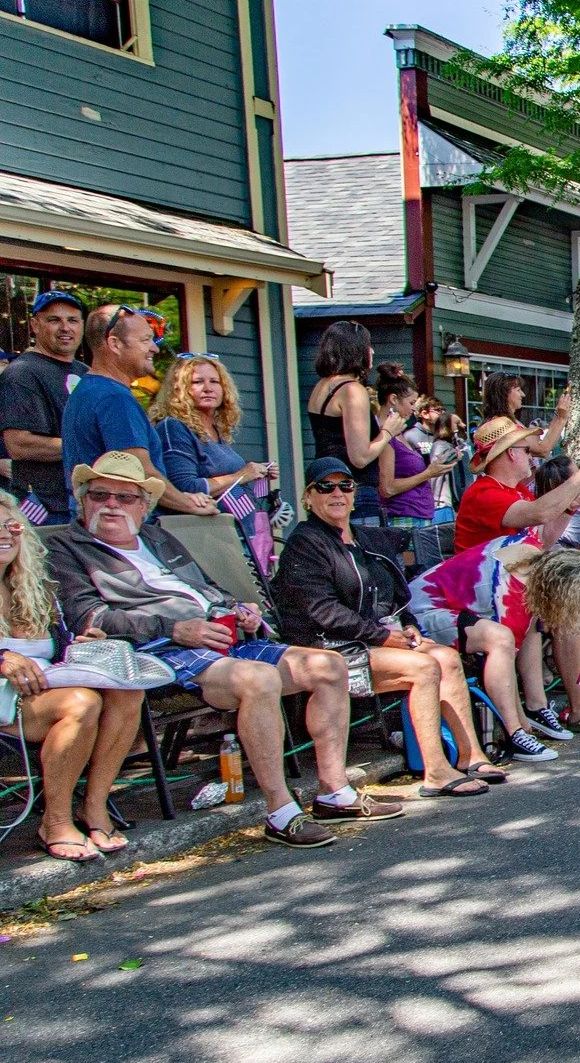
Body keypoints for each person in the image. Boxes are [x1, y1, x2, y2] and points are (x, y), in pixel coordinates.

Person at [47, 452, 386, 847]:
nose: (111, 505)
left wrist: (235, 609)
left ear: (143, 506)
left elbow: (207, 590)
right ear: (83, 500)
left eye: (125, 498)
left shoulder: (156, 538)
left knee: (329, 666)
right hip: (159, 650)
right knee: (257, 679)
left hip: (216, 636)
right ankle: (280, 811)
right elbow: (91, 619)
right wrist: (175, 629)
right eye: (100, 495)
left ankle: (333, 791)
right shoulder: (68, 547)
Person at [273, 459, 495, 797]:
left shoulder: (365, 538)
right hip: (331, 647)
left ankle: (471, 755)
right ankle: (435, 770)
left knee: (447, 658)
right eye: (326, 487)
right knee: (423, 667)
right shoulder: (305, 544)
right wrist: (382, 635)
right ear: (308, 497)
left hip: (377, 636)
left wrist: (409, 624)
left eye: (345, 486)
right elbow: (321, 611)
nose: (337, 494)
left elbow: (398, 592)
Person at [0, 492, 149, 862]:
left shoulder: (31, 585)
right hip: (10, 694)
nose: (5, 535)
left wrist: (81, 645)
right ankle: (55, 820)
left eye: (11, 526)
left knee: (127, 692)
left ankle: (94, 806)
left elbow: (58, 644)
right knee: (82, 702)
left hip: (38, 686)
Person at [408, 530, 580, 761]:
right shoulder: (509, 597)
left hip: (439, 599)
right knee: (500, 640)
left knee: (521, 627)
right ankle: (514, 731)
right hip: (422, 612)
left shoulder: (531, 550)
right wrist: (521, 724)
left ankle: (534, 708)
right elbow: (508, 665)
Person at [62, 306, 214, 516]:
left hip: (93, 521)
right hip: (121, 528)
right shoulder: (114, 398)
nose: (155, 348)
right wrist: (192, 505)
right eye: (145, 340)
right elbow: (140, 472)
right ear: (115, 344)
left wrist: (183, 497)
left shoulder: (86, 390)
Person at [453, 415, 580, 553]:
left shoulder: (516, 489)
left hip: (503, 581)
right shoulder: (484, 493)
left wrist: (569, 509)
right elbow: (539, 513)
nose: (532, 457)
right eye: (527, 450)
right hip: (481, 585)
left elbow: (542, 541)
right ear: (511, 452)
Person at [151, 353, 277, 520]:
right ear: (178, 389)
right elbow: (183, 488)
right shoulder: (174, 427)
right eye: (197, 382)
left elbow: (224, 476)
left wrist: (257, 471)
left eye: (214, 381)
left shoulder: (216, 429)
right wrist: (240, 476)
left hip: (235, 531)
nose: (208, 388)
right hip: (202, 534)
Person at [305, 321, 407, 524]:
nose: (372, 350)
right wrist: (388, 431)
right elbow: (360, 457)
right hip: (353, 491)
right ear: (356, 350)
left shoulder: (322, 387)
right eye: (367, 345)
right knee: (364, 554)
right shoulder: (352, 390)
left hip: (324, 488)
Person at [0, 289, 86, 520]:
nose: (65, 327)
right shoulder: (22, 373)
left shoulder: (87, 374)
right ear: (35, 325)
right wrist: (90, 445)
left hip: (87, 502)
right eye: (54, 320)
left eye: (73, 320)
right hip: (46, 508)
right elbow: (19, 444)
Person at [365, 365, 452, 568]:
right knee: (412, 578)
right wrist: (428, 473)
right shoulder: (385, 435)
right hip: (405, 517)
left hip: (417, 515)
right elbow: (387, 488)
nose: (414, 409)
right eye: (411, 403)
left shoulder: (397, 433)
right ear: (393, 399)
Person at [479, 371, 571, 458]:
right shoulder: (502, 425)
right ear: (504, 394)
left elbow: (540, 444)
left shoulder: (507, 421)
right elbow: (543, 449)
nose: (523, 394)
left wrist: (558, 415)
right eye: (518, 390)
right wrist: (561, 419)